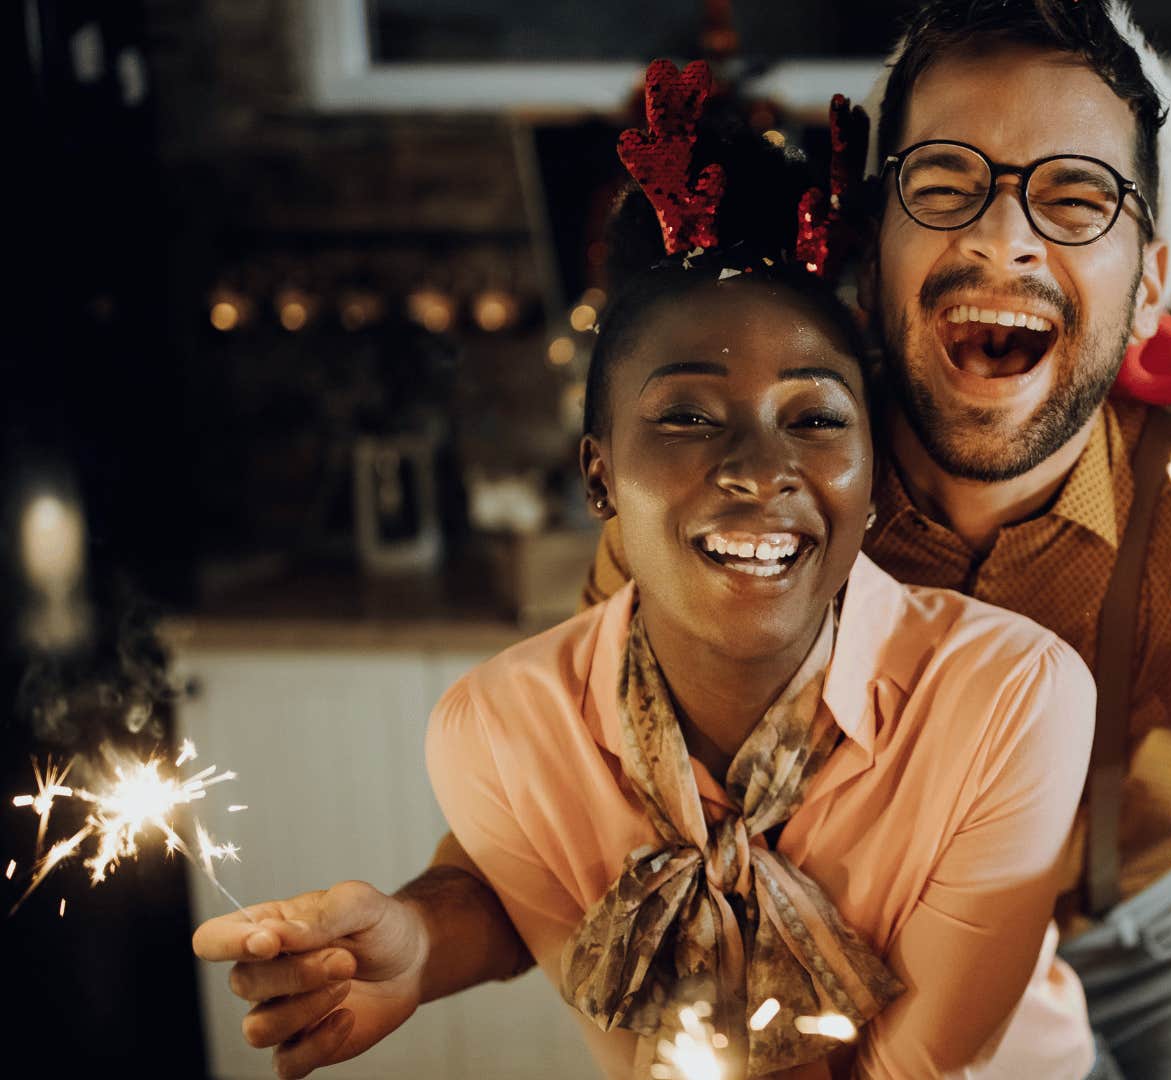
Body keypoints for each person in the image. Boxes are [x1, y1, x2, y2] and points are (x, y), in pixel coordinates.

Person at [195, 3, 1171, 1077]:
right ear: (873, 248)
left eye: (1076, 198)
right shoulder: (759, 490)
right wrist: (422, 940)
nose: (1002, 235)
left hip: (1166, 931)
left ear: (1152, 280)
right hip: (878, 956)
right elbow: (588, 803)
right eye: (948, 184)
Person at [196, 67, 1099, 1079]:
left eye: (813, 419)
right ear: (599, 475)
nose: (762, 471)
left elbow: (916, 1068)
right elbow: (541, 931)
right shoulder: (502, 731)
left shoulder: (1012, 697)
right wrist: (415, 944)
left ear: (870, 470)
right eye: (686, 418)